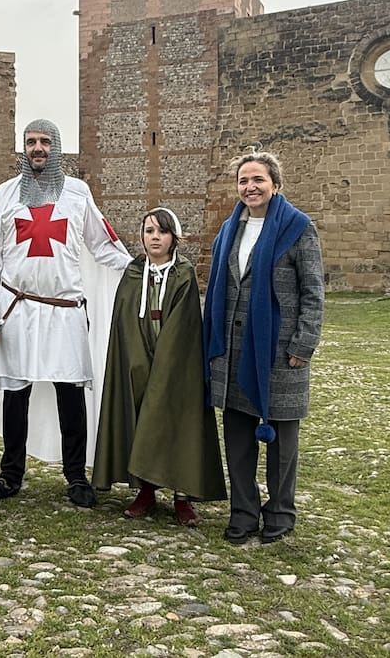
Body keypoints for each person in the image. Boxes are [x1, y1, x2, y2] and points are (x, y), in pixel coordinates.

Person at [0, 119, 130, 508]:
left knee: (70, 392)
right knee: (15, 394)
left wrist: (140, 266)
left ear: (55, 147)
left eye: (44, 141)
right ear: (23, 148)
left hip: (64, 310)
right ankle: (10, 475)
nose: (37, 148)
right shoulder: (6, 195)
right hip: (17, 309)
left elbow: (102, 243)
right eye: (31, 141)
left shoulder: (77, 193)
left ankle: (76, 476)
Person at [202, 151, 324, 544]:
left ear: (275, 184)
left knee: (282, 444)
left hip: (279, 351)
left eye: (257, 180)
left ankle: (280, 513)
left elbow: (313, 292)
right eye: (243, 181)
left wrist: (303, 345)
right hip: (234, 350)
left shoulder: (297, 228)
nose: (250, 187)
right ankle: (243, 512)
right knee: (237, 439)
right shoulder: (228, 231)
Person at [93, 208, 226, 525]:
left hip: (176, 363)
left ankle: (182, 496)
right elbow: (124, 321)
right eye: (149, 231)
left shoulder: (184, 273)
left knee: (179, 422)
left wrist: (165, 364)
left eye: (162, 232)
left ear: (173, 238)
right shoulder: (133, 273)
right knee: (140, 418)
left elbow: (185, 324)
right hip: (138, 359)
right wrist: (137, 359)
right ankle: (145, 490)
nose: (155, 237)